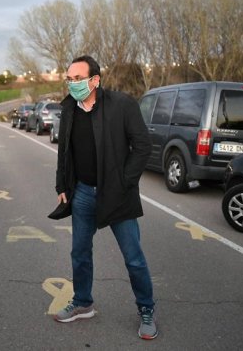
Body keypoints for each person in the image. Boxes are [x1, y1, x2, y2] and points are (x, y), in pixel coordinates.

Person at [54, 55, 157, 340]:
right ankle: (83, 302)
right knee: (79, 252)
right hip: (83, 193)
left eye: (77, 78)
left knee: (133, 257)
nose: (72, 83)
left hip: (116, 194)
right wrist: (62, 183)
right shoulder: (69, 109)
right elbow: (64, 151)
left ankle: (146, 309)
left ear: (95, 80)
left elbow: (143, 146)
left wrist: (125, 182)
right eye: (69, 78)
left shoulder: (121, 105)